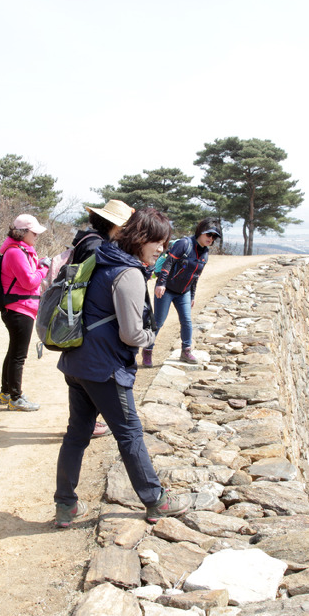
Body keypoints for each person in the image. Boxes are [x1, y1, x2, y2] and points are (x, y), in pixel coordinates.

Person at [53, 207, 194, 528]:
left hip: (77, 360)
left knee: (76, 434)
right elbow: (131, 334)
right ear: (140, 238)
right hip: (104, 368)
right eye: (157, 242)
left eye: (165, 242)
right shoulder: (128, 273)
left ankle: (66, 505)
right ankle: (155, 499)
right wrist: (150, 335)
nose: (162, 249)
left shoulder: (102, 258)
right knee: (129, 433)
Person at [70, 199, 135, 438]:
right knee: (89, 373)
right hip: (88, 318)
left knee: (81, 374)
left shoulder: (87, 239)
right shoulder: (97, 246)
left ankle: (86, 422)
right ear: (115, 226)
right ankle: (88, 423)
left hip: (79, 315)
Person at [144, 218, 221, 366]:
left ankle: (186, 351)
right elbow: (168, 262)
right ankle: (148, 351)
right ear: (200, 232)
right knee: (158, 322)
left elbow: (195, 277)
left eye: (214, 237)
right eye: (208, 234)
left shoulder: (205, 254)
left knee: (186, 321)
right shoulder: (184, 244)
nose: (210, 239)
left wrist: (192, 295)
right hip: (166, 289)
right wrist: (161, 283)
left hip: (184, 292)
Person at [0, 213, 50, 412]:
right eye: (34, 232)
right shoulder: (16, 252)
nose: (37, 236)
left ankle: (6, 393)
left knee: (13, 353)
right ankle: (16, 398)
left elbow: (27, 274)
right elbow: (29, 281)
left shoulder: (21, 250)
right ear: (23, 232)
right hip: (19, 309)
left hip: (19, 308)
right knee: (19, 356)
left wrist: (40, 263)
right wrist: (43, 269)